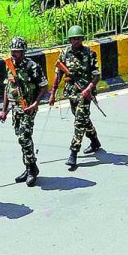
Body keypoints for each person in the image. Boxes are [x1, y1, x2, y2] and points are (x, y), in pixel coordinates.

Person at [52, 26, 102, 166]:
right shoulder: (65, 53)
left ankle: (73, 152)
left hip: (86, 93)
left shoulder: (89, 54)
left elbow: (97, 75)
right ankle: (94, 139)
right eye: (74, 39)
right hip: (71, 92)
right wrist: (53, 92)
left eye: (79, 38)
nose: (76, 41)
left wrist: (89, 89)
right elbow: (59, 72)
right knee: (82, 117)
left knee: (79, 121)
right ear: (70, 39)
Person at [0, 36, 45, 185]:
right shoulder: (9, 65)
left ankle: (32, 169)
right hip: (15, 108)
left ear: (23, 52)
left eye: (17, 51)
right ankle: (28, 166)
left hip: (28, 107)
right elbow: (8, 88)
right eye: (12, 51)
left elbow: (44, 86)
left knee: (24, 136)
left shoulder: (32, 66)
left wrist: (35, 104)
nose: (14, 54)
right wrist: (4, 110)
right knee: (21, 138)